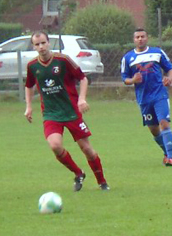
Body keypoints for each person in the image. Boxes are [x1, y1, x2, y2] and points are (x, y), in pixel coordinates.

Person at [24, 31, 109, 191]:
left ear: (49, 43)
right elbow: (29, 85)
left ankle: (102, 182)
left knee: (87, 150)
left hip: (71, 112)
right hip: (51, 114)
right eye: (37, 44)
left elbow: (83, 78)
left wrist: (82, 99)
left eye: (43, 43)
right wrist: (29, 106)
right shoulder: (32, 66)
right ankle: (78, 173)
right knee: (55, 146)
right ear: (33, 46)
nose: (41, 47)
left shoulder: (62, 60)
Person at [121, 28, 172, 166]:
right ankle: (166, 152)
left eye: (143, 36)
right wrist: (133, 80)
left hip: (160, 94)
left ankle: (170, 157)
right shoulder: (127, 58)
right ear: (134, 40)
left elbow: (170, 68)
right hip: (144, 98)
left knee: (164, 123)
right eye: (137, 37)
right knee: (154, 130)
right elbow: (125, 79)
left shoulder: (157, 52)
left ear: (147, 38)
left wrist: (169, 79)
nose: (140, 39)